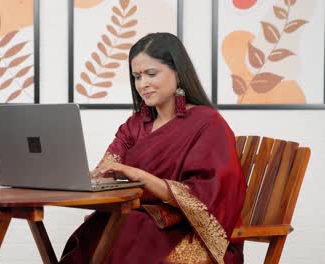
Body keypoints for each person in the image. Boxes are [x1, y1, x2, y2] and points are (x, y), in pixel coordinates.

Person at [60, 32, 247, 264]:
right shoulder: (135, 125)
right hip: (141, 223)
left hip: (187, 232)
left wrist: (138, 175)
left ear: (178, 73)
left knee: (124, 229)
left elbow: (209, 198)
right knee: (97, 228)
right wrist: (77, 177)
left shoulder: (207, 123)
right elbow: (105, 170)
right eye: (137, 76)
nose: (142, 84)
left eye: (151, 74)